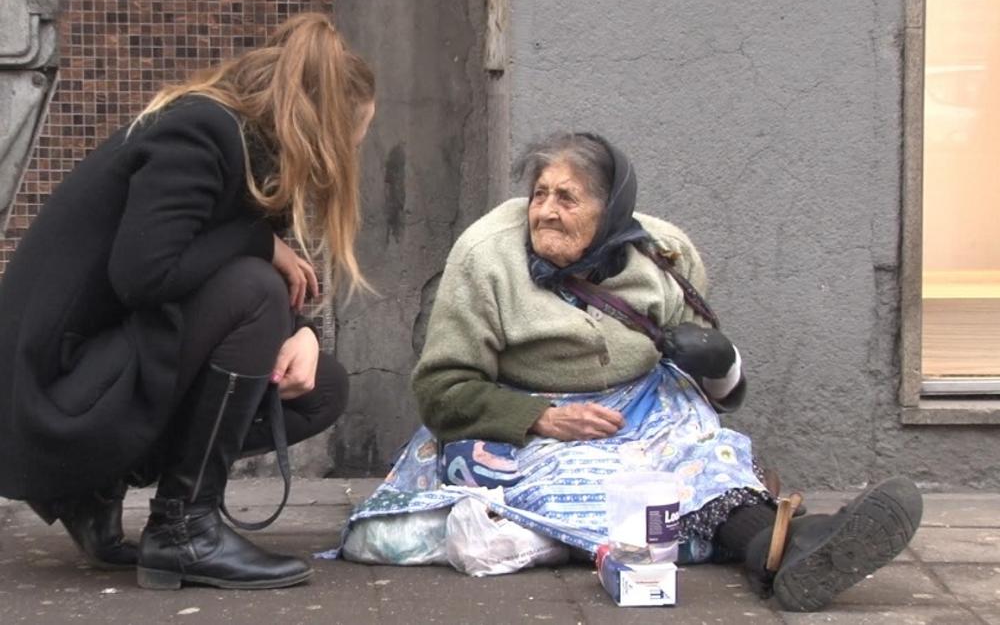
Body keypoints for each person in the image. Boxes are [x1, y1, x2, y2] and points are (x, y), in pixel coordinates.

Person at [342, 132, 922, 612]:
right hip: (512, 416)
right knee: (591, 481)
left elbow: (721, 393)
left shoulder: (665, 255)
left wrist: (719, 361)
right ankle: (781, 543)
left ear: (611, 210)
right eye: (539, 194)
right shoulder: (486, 256)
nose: (546, 211)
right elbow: (441, 390)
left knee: (703, 459)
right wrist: (543, 417)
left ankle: (792, 545)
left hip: (643, 406)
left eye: (567, 199)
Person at [0, 12, 376, 591]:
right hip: (52, 402)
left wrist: (300, 333)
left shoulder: (252, 152)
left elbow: (209, 277)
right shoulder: (200, 133)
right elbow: (144, 277)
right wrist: (260, 247)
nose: (353, 152)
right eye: (354, 137)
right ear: (321, 126)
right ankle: (184, 531)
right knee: (253, 287)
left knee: (319, 388)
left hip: (94, 378)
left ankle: (98, 489)